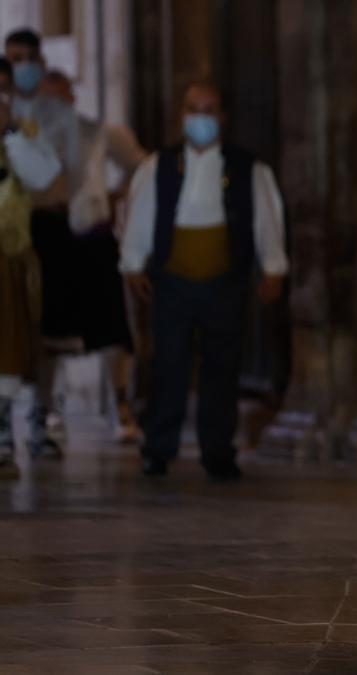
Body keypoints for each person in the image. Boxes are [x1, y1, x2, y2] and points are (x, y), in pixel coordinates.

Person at [120, 81, 287, 481]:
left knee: (222, 369)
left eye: (209, 109)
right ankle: (158, 447)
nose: (201, 117)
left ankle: (218, 450)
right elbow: (140, 214)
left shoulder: (250, 170)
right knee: (169, 366)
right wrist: (132, 263)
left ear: (222, 118)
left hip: (224, 283)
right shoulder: (157, 166)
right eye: (194, 108)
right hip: (173, 283)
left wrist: (273, 267)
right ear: (182, 115)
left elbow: (267, 219)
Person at [42, 69, 147, 443]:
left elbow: (140, 166)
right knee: (52, 330)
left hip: (94, 236)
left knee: (111, 327)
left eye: (60, 96)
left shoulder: (99, 133)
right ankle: (51, 408)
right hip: (52, 238)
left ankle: (121, 404)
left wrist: (116, 197)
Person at [5, 28, 82, 459]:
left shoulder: (58, 113)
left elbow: (61, 171)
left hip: (47, 225)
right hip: (6, 228)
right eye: (14, 59)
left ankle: (40, 417)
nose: (23, 67)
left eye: (29, 58)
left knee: (48, 328)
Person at [0, 57, 64, 476]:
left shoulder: (23, 134)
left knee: (6, 350)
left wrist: (9, 134)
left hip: (6, 257)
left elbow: (44, 175)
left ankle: (3, 439)